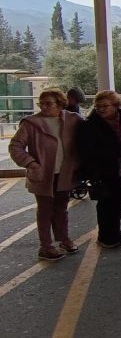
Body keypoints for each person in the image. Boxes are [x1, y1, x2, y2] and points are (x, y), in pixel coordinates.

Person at [9, 89, 83, 261]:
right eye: (41, 103)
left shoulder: (73, 119)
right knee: (45, 211)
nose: (43, 107)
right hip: (43, 174)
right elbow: (15, 146)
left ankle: (64, 239)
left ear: (60, 103)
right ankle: (46, 246)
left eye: (48, 103)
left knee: (62, 209)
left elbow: (86, 137)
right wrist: (31, 163)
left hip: (64, 173)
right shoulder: (31, 123)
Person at [76, 91, 121, 248]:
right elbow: (86, 152)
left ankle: (115, 232)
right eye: (97, 106)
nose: (100, 109)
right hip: (103, 169)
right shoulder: (90, 125)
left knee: (119, 200)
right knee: (106, 203)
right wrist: (93, 175)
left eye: (105, 106)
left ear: (116, 106)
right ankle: (106, 236)